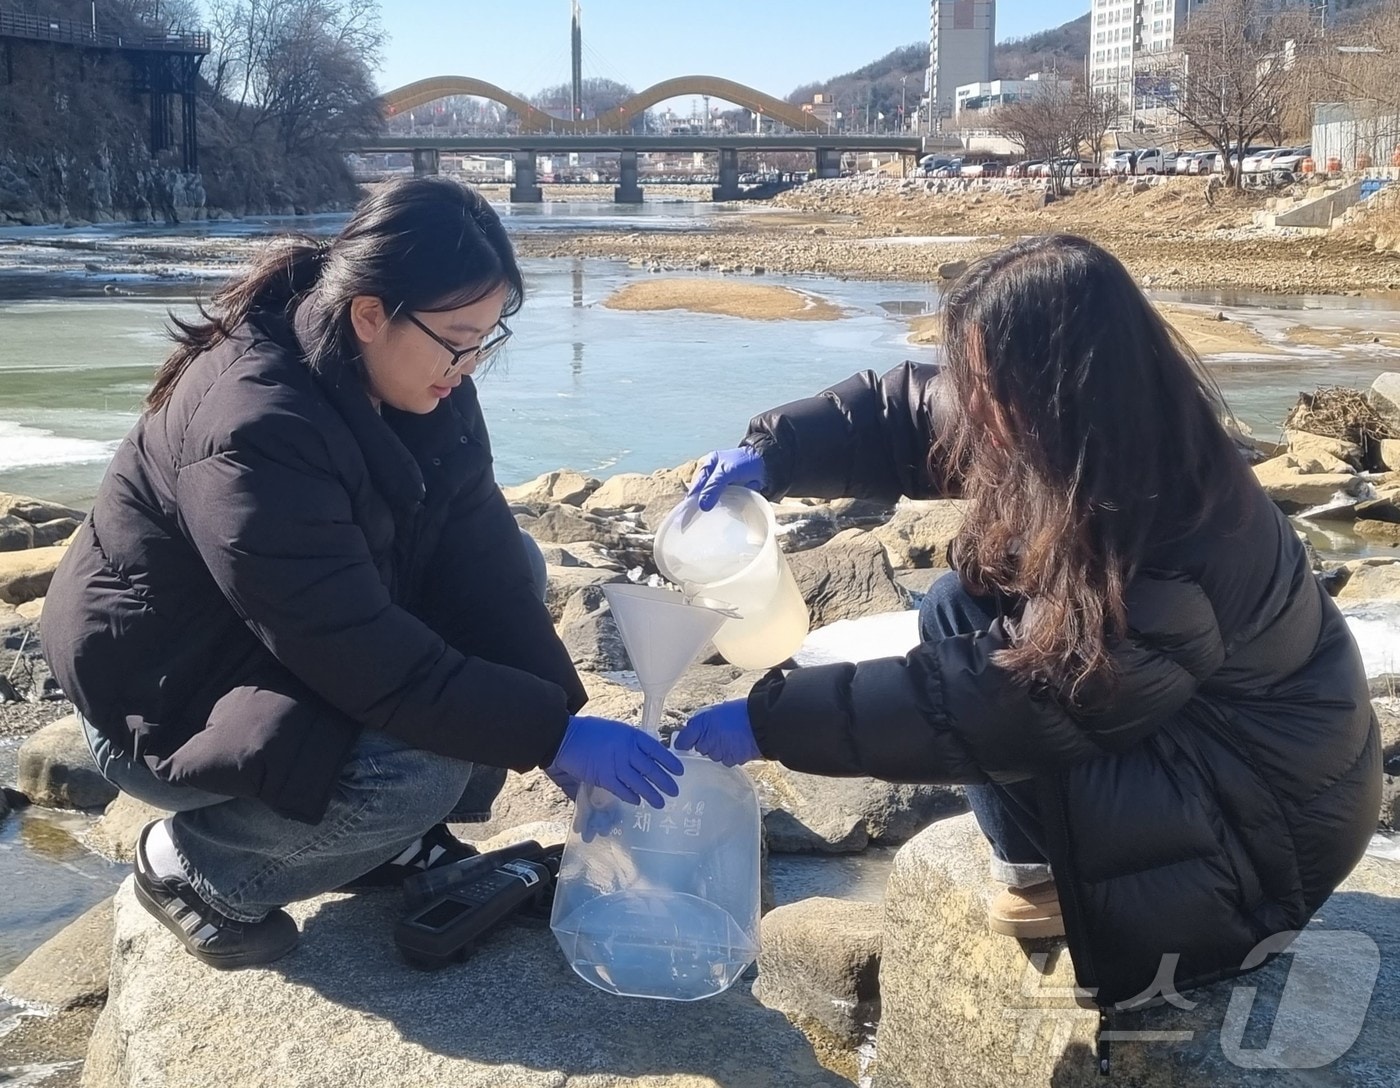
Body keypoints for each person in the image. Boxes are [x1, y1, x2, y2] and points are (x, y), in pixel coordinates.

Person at [675, 234, 1380, 1014]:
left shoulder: (1170, 532)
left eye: (988, 382)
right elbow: (911, 412)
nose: (970, 402)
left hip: (1264, 834)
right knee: (954, 603)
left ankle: (1064, 894)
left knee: (1010, 691)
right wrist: (775, 455)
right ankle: (1038, 874)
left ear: (1056, 385)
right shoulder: (1096, 426)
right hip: (1228, 754)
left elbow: (1023, 701)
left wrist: (772, 721)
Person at [41, 177, 682, 970]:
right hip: (160, 694)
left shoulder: (420, 377)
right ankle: (197, 866)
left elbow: (477, 551)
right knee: (419, 766)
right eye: (457, 337)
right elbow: (351, 647)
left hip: (261, 642)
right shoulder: (256, 425)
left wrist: (558, 723)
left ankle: (383, 847)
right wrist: (544, 733)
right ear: (370, 313)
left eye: (488, 336)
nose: (470, 362)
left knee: (512, 565)